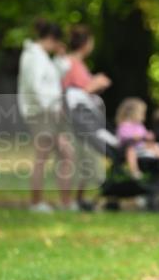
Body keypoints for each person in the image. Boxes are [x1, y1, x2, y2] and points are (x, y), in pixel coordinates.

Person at [17, 19, 74, 212]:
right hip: (41, 113)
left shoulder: (43, 56)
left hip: (51, 112)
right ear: (52, 38)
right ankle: (36, 202)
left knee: (66, 154)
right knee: (42, 156)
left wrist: (60, 57)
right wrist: (49, 106)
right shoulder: (33, 56)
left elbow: (53, 78)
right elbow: (34, 87)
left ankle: (65, 202)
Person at [61, 25, 112, 210]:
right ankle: (67, 202)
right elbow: (70, 94)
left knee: (87, 160)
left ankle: (78, 199)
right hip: (74, 120)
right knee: (73, 159)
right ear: (85, 43)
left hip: (86, 119)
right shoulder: (68, 63)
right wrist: (94, 84)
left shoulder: (80, 64)